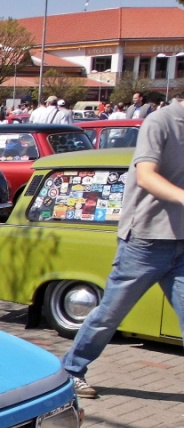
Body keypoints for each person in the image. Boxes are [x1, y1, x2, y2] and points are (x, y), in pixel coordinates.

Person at [60, 93, 184, 398]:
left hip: (181, 241)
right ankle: (71, 371)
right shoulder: (161, 121)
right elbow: (145, 175)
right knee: (111, 313)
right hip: (145, 241)